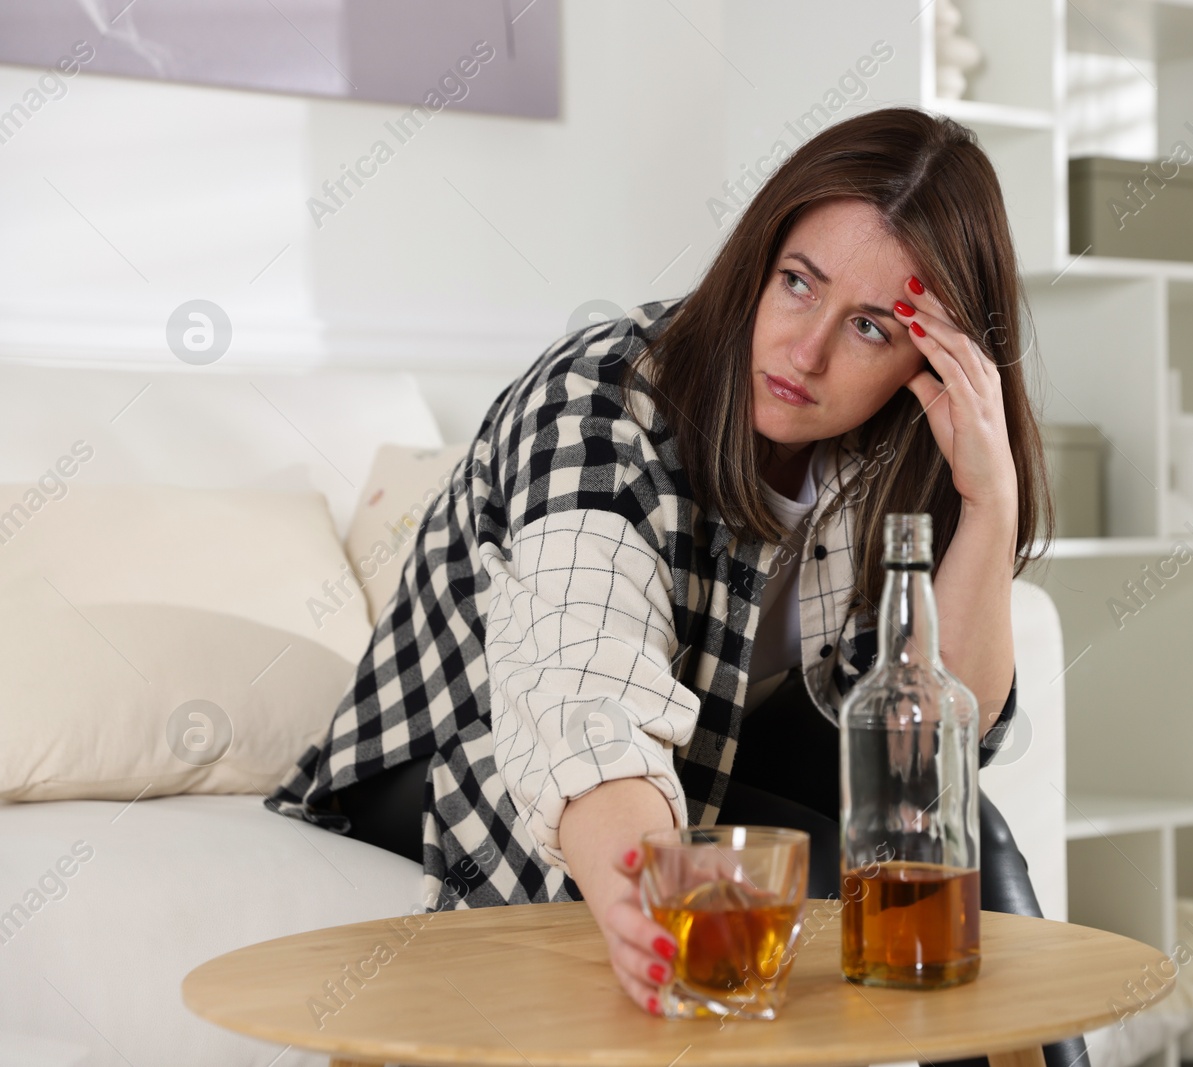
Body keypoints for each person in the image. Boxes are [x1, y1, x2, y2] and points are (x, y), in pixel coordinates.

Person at [265, 106, 1089, 1067]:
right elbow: (584, 684)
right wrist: (649, 905)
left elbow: (953, 730)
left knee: (942, 822)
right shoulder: (603, 401)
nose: (806, 352)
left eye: (868, 327)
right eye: (797, 285)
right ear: (758, 260)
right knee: (820, 865)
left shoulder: (896, 451)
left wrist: (989, 502)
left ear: (932, 359)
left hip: (706, 734)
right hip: (453, 748)